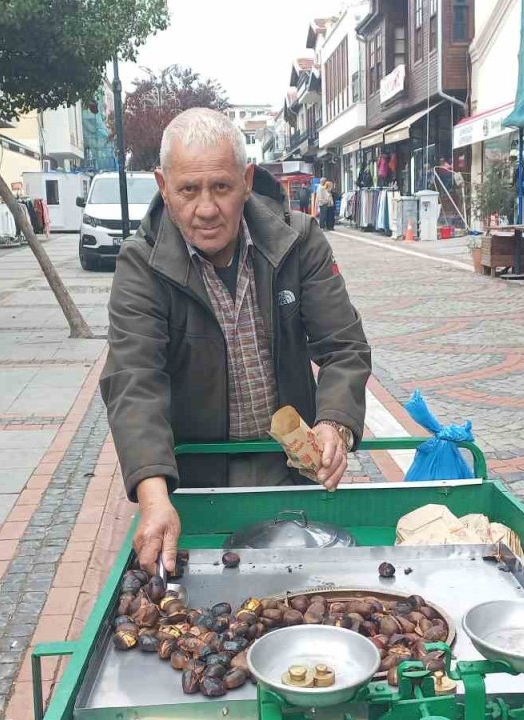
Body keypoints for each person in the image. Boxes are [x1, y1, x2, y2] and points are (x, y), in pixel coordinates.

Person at [101, 108, 371, 573]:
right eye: (188, 190)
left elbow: (343, 345)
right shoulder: (140, 265)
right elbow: (133, 379)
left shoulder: (299, 241)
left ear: (246, 180)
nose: (206, 208)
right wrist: (153, 494)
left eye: (221, 188)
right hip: (196, 484)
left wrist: (334, 425)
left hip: (290, 474)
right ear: (163, 186)